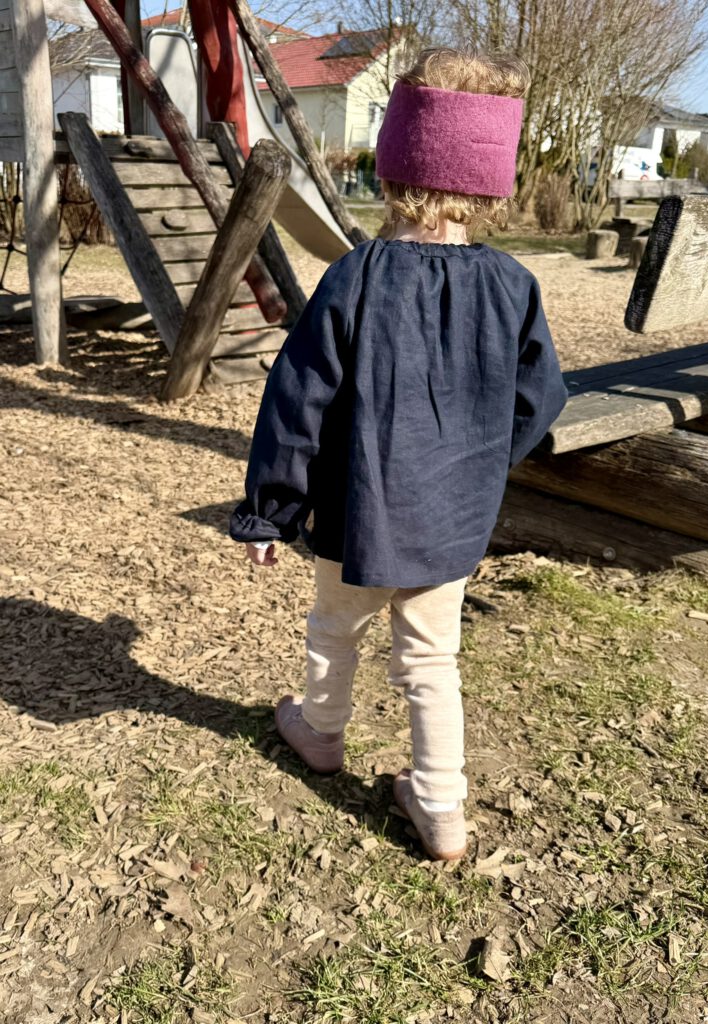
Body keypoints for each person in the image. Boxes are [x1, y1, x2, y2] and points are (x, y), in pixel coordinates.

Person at [230, 48, 568, 861]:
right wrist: (484, 464)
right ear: (490, 177)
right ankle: (443, 803)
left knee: (333, 628)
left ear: (392, 168)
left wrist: (272, 510)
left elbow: (298, 400)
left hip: (356, 514)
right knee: (430, 656)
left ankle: (319, 730)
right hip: (451, 524)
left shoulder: (356, 278)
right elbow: (541, 398)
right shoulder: (514, 284)